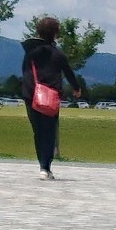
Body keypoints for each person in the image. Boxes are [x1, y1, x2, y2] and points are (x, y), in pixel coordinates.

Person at [19, 16, 82, 180]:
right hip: (50, 98)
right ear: (55, 33)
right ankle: (45, 167)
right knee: (49, 132)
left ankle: (42, 165)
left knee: (37, 132)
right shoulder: (57, 54)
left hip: (31, 96)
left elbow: (25, 72)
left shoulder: (30, 53)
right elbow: (68, 73)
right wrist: (76, 88)